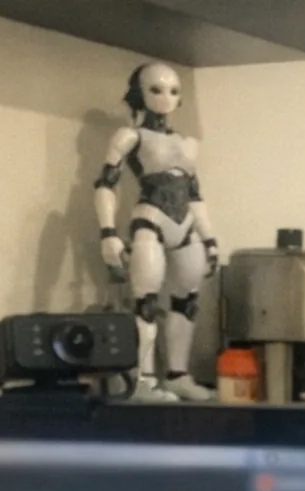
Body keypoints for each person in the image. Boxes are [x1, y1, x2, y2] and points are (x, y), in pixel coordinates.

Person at [94, 62, 219, 402]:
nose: (166, 98)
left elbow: (195, 195)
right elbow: (106, 184)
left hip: (186, 226)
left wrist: (209, 238)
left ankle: (177, 374)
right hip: (151, 219)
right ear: (139, 93)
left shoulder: (188, 143)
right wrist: (108, 232)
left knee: (187, 298)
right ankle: (143, 380)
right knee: (145, 299)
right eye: (156, 89)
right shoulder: (130, 136)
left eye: (174, 91)